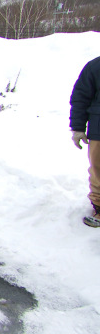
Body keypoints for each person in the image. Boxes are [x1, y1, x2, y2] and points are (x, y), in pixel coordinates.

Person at [70, 56, 100, 227]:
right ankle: (99, 209)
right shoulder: (95, 66)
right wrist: (78, 127)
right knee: (98, 170)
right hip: (99, 129)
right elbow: (81, 97)